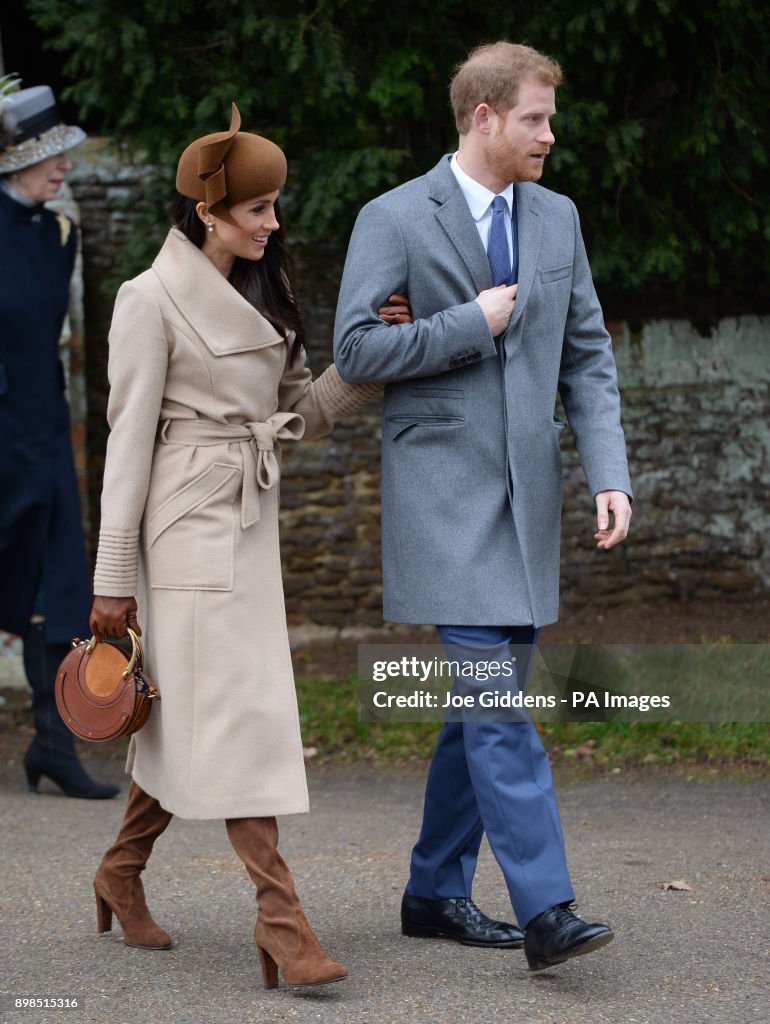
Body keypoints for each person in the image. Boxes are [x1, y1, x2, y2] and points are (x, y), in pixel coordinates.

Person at [88, 104, 408, 989]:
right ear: (208, 213)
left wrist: (366, 363)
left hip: (247, 522)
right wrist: (112, 581)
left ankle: (120, 870)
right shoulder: (147, 300)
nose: (274, 222)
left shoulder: (265, 288)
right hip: (184, 529)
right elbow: (125, 443)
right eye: (258, 209)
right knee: (243, 722)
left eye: (274, 207)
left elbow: (295, 418)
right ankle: (283, 923)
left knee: (196, 716)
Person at [333, 42, 632, 971]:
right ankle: (547, 911)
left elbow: (586, 354)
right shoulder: (392, 215)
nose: (551, 133)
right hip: (442, 501)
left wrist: (608, 473)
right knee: (498, 708)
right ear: (485, 117)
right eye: (536, 117)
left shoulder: (559, 218)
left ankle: (432, 890)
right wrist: (474, 323)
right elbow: (353, 351)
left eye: (550, 117)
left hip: (529, 505)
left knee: (477, 708)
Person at [0, 78, 119, 800]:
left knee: (59, 582)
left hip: (42, 430)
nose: (64, 166)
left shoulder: (60, 234)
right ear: (13, 160)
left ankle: (53, 743)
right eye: (50, 155)